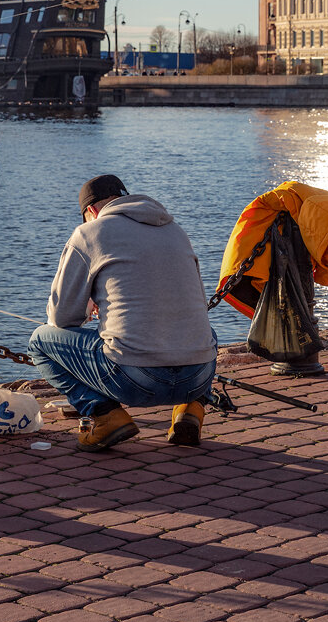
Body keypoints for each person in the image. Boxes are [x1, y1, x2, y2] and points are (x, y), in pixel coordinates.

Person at [29, 175, 219, 451]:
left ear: (91, 212)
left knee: (40, 341)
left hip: (134, 381)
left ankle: (106, 415)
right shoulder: (175, 230)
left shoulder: (89, 233)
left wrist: (88, 304)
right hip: (197, 376)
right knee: (204, 332)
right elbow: (194, 306)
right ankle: (190, 411)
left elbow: (60, 319)